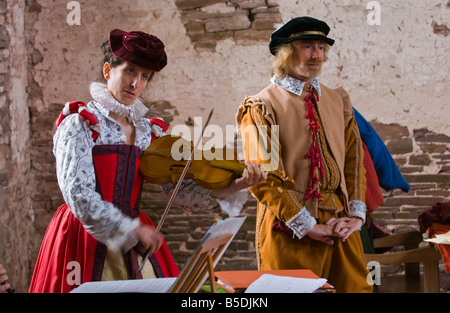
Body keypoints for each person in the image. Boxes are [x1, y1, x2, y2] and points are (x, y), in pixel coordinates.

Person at [29, 29, 265, 293]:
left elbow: (180, 193)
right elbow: (78, 194)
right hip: (83, 237)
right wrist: (131, 230)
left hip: (136, 237)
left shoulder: (148, 132)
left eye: (144, 77)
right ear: (108, 71)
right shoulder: (80, 123)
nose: (136, 84)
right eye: (130, 71)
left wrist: (235, 185)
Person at [236, 17, 373, 292]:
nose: (317, 55)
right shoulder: (262, 105)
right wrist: (308, 225)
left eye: (321, 48)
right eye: (308, 46)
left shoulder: (337, 99)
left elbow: (354, 159)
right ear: (286, 52)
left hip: (340, 224)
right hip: (289, 228)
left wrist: (356, 215)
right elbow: (264, 176)